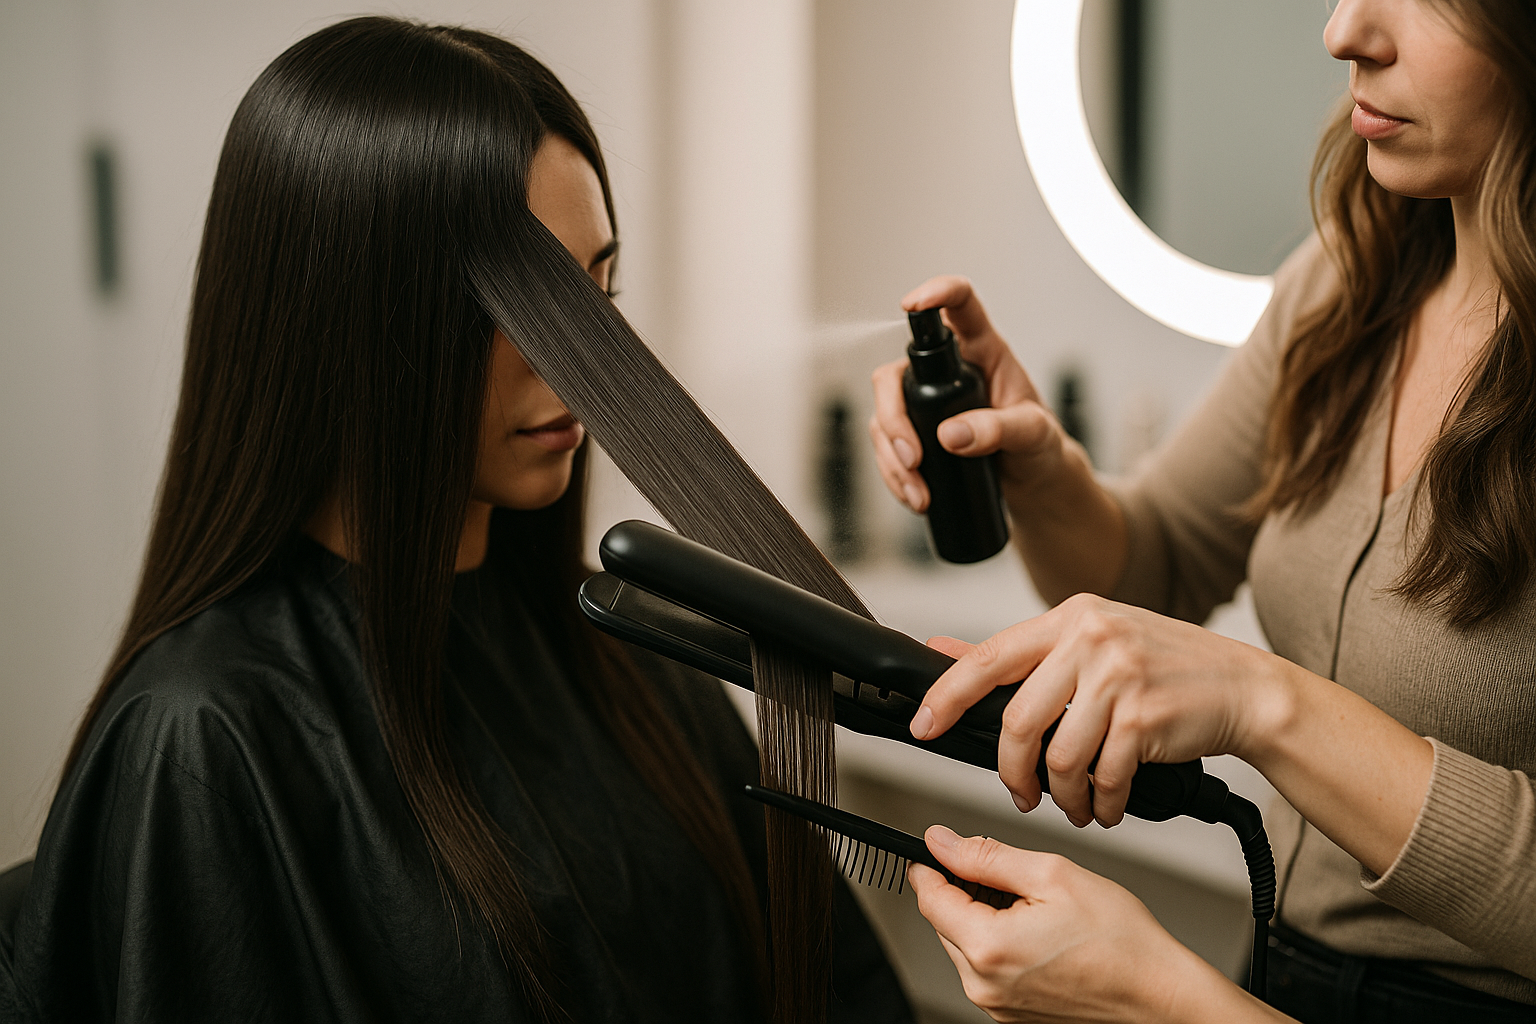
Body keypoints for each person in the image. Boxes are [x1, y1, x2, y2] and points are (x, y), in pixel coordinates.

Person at [4, 17, 911, 1024]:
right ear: (346, 316)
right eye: (523, 304)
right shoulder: (208, 736)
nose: (587, 357)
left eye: (598, 289)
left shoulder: (631, 655)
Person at [868, 0, 1536, 1021]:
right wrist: (1041, 468)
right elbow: (1158, 568)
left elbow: (1239, 682)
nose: (1345, 30)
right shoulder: (1340, 295)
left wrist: (1264, 702)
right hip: (1282, 961)